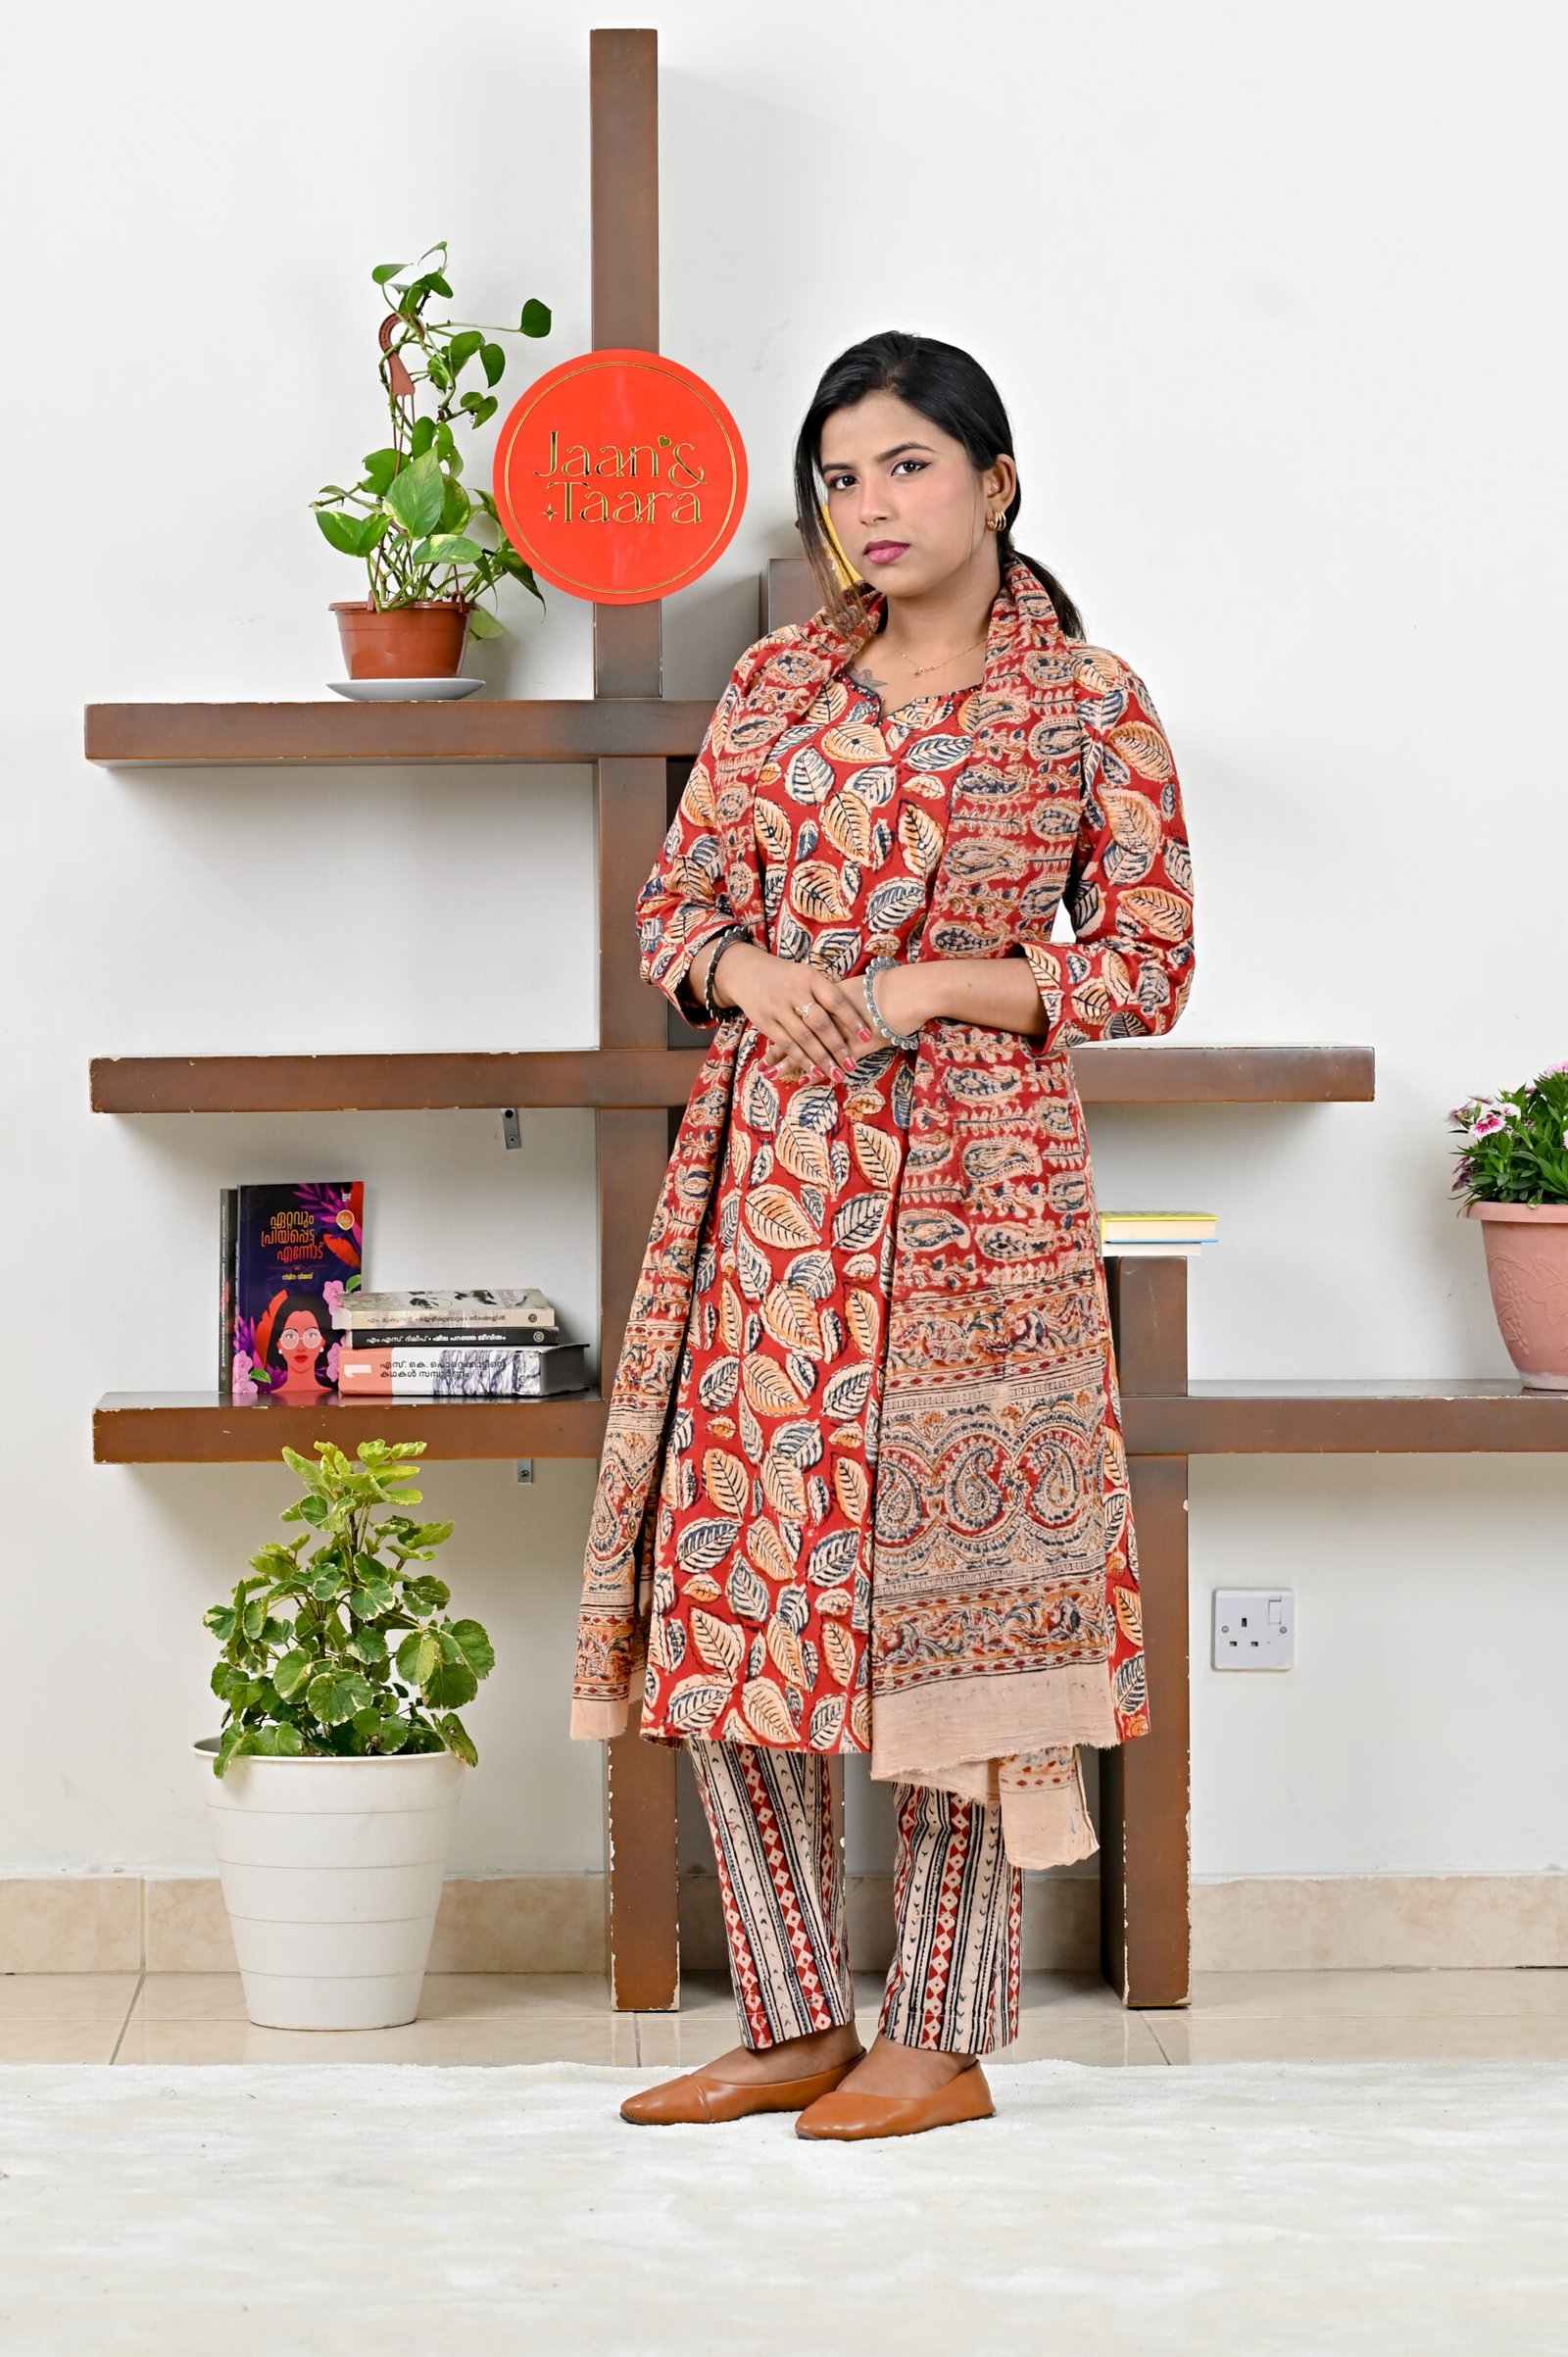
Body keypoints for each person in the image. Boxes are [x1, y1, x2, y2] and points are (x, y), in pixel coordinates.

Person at [570, 329, 1197, 2139]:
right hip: (774, 1190)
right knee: (739, 1577)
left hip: (980, 1200)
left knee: (961, 1602)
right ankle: (788, 2017)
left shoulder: (1087, 704)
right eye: (841, 477)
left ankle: (939, 2029)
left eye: (907, 464)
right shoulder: (777, 686)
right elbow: (675, 907)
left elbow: (1148, 961)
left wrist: (943, 983)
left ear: (994, 481)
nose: (872, 504)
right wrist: (747, 969)